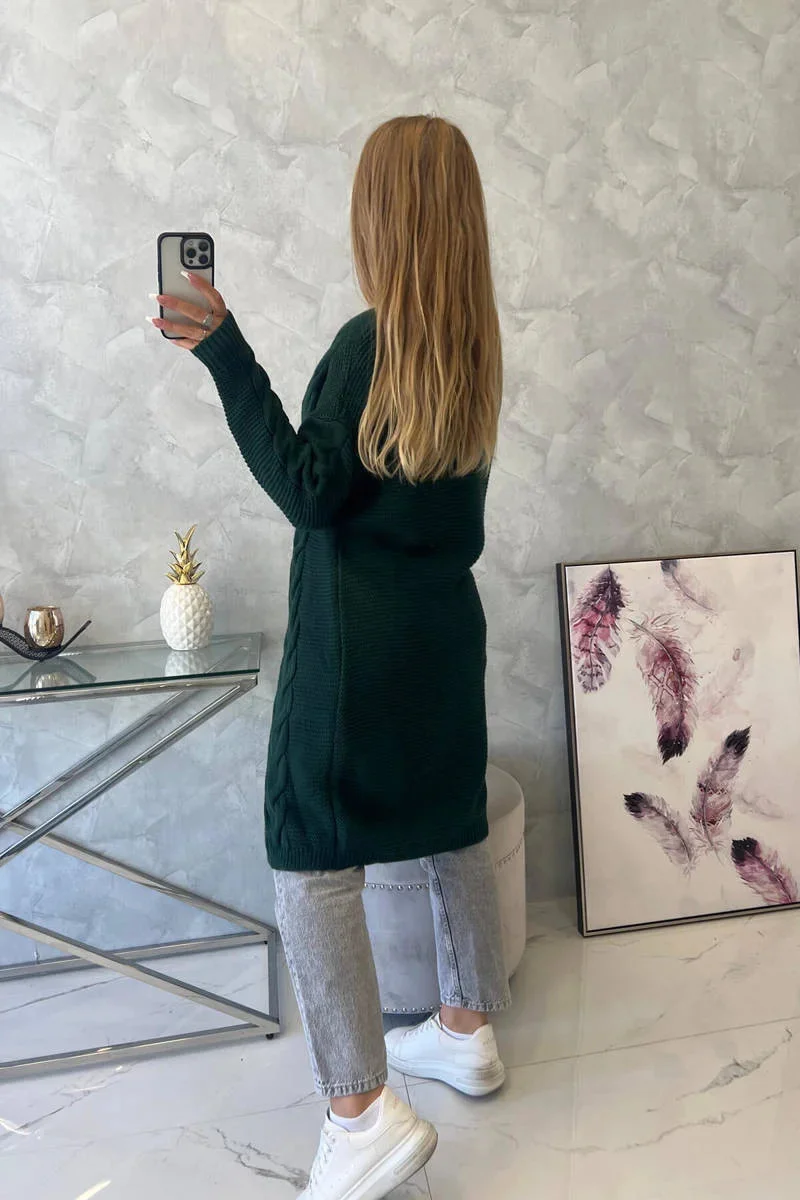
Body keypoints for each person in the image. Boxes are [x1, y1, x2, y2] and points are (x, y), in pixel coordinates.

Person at [152, 114, 510, 1200]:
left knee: (308, 849)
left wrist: (223, 350)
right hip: (444, 641)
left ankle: (357, 1113)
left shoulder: (368, 347)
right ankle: (467, 1029)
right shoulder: (473, 351)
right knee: (452, 821)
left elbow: (310, 493)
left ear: (379, 221)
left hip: (356, 652)